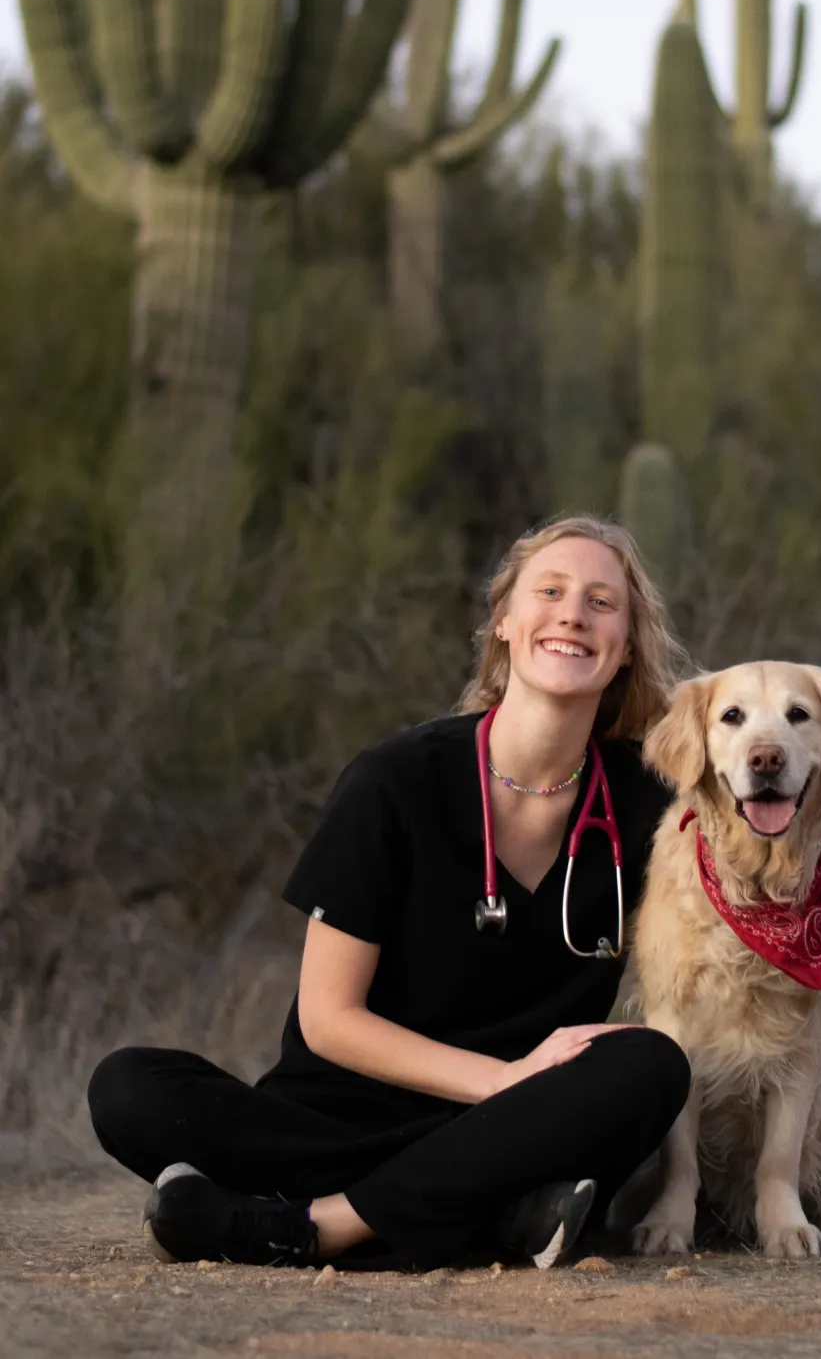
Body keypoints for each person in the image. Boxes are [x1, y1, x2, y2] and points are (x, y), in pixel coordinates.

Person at [88, 516, 691, 1272]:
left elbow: (757, 866)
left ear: (628, 647)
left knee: (652, 1066)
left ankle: (313, 1224)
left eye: (602, 603)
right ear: (503, 621)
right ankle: (493, 1213)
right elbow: (330, 1020)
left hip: (522, 1126)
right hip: (344, 1114)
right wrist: (504, 1082)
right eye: (551, 590)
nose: (573, 613)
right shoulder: (395, 781)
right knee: (129, 1086)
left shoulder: (649, 803)